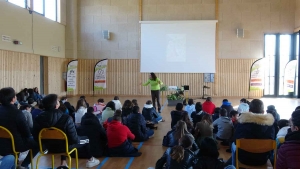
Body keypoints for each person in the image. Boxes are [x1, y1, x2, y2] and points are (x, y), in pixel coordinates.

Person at [33, 94, 100, 168]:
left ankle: (63, 163)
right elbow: (74, 139)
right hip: (64, 147)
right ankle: (91, 159)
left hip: (47, 148)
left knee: (62, 140)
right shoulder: (66, 118)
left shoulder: (38, 118)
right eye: (58, 101)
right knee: (86, 139)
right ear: (56, 105)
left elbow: (35, 136)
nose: (59, 101)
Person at [226, 99, 275, 166]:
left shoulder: (242, 124)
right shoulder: (270, 126)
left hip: (244, 159)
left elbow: (235, 140)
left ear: (249, 111)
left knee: (233, 145)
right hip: (262, 160)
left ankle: (233, 165)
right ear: (263, 112)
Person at [0, 87, 38, 169]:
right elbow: (26, 133)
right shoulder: (17, 113)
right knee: (36, 144)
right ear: (13, 99)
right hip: (15, 145)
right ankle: (24, 165)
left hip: (1, 144)